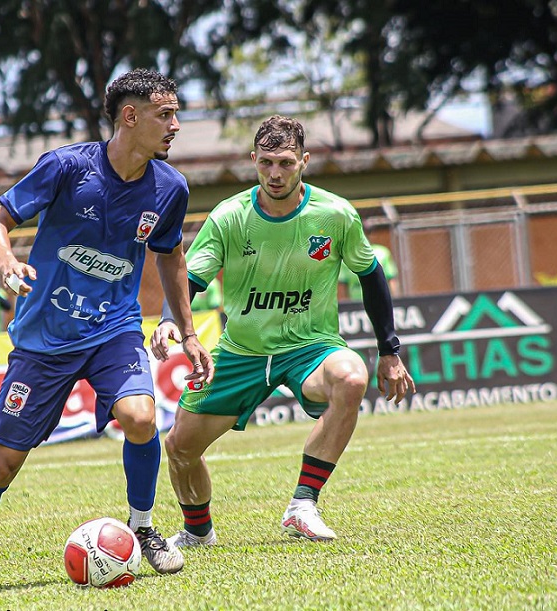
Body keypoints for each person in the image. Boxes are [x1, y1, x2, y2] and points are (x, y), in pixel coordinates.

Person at [0, 68, 213, 595]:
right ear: (130, 116)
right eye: (164, 114)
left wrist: (186, 330)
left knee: (140, 415)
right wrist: (7, 261)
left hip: (114, 329)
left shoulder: (171, 188)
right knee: (1, 463)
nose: (176, 125)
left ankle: (143, 527)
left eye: (176, 114)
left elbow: (170, 255)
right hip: (43, 339)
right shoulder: (66, 166)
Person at [152, 115, 415, 548]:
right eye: (267, 163)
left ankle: (303, 505)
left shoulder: (335, 215)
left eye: (286, 163)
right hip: (242, 352)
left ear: (305, 162)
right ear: (253, 159)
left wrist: (389, 351)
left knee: (351, 376)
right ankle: (198, 532)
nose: (275, 174)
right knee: (180, 447)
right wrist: (168, 321)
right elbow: (190, 279)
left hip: (309, 347)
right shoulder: (229, 217)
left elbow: (372, 276)